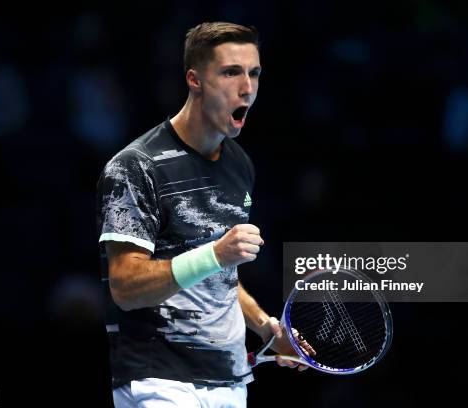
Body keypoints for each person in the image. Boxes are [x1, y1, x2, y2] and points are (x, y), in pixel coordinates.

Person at [96, 22, 313, 407]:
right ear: (194, 80)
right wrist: (215, 253)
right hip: (158, 380)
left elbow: (218, 278)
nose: (247, 87)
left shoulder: (240, 164)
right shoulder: (137, 166)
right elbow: (125, 287)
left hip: (230, 380)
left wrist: (265, 327)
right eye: (231, 72)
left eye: (254, 73)